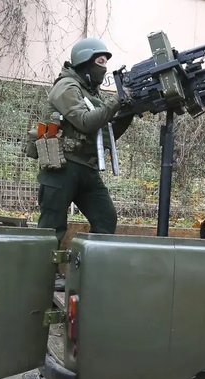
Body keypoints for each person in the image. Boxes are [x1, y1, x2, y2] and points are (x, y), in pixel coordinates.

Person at [37, 37, 133, 245]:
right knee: (51, 229)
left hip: (87, 168)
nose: (104, 68)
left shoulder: (91, 92)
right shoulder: (66, 87)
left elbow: (106, 135)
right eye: (100, 61)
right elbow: (85, 122)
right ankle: (41, 267)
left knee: (106, 219)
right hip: (62, 168)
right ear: (85, 62)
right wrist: (117, 100)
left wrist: (128, 111)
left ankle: (90, 265)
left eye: (105, 62)